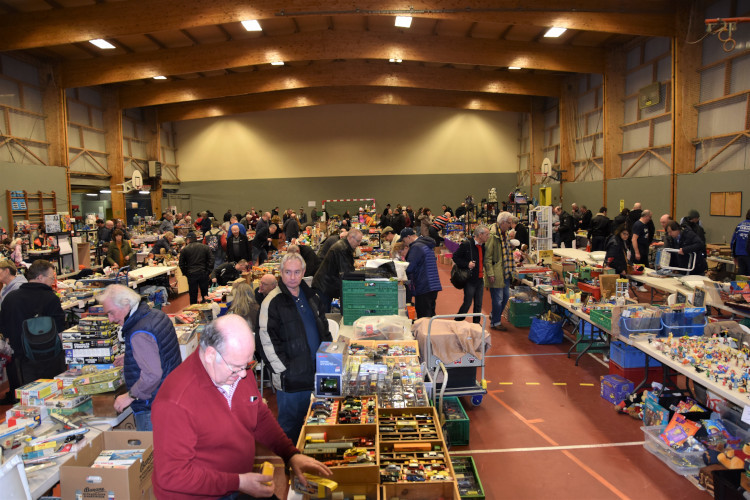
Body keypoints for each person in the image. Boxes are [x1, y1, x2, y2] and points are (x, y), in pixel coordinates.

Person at [152, 314, 331, 499]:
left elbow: (258, 416)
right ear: (210, 355)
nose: (244, 375)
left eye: (247, 365)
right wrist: (238, 482)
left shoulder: (237, 372)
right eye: (236, 367)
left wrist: (290, 454)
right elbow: (172, 476)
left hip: (236, 486)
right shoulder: (175, 402)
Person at [258, 253, 333, 443]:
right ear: (280, 273)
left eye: (297, 272)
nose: (292, 277)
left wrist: (330, 361)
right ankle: (290, 469)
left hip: (317, 375)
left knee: (318, 425)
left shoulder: (312, 296)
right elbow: (266, 340)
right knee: (290, 428)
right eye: (288, 272)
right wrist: (284, 371)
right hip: (291, 381)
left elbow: (324, 329)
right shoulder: (272, 302)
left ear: (304, 272)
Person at [97, 284, 181, 431]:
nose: (110, 319)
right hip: (171, 398)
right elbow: (160, 351)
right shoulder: (155, 314)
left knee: (152, 453)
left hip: (152, 408)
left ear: (126, 304)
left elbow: (152, 375)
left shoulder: (139, 332)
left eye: (111, 313)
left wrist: (129, 396)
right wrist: (133, 355)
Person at [0, 260, 65, 404]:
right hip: (50, 358)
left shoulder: (10, 298)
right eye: (51, 278)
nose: (53, 281)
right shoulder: (50, 298)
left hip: (21, 361)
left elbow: (4, 329)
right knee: (52, 398)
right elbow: (60, 330)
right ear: (40, 277)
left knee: (28, 401)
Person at [312, 228, 361, 312]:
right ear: (350, 238)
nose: (359, 244)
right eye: (358, 241)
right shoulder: (343, 249)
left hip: (325, 285)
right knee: (324, 315)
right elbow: (346, 273)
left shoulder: (344, 246)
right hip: (323, 286)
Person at [484, 212, 516, 331]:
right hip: (497, 272)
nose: (510, 225)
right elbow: (487, 257)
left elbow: (504, 250)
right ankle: (495, 322)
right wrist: (490, 273)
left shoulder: (505, 234)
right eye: (509, 223)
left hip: (505, 271)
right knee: (498, 299)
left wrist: (510, 247)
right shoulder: (492, 235)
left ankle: (494, 315)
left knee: (506, 296)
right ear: (502, 223)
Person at [452, 225, 490, 323]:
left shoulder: (483, 246)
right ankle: (457, 322)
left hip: (480, 279)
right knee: (467, 303)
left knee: (478, 305)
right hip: (470, 280)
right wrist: (467, 264)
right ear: (480, 235)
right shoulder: (466, 244)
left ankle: (476, 325)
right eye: (487, 234)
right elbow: (455, 257)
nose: (488, 236)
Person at [401, 228, 442, 318]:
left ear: (408, 237)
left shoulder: (416, 247)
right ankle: (429, 331)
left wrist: (399, 269)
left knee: (423, 316)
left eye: (404, 240)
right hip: (433, 284)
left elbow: (410, 267)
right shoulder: (425, 244)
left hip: (424, 285)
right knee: (430, 315)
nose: (405, 243)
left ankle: (424, 332)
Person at [179, 232, 215, 305]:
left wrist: (186, 273)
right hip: (203, 273)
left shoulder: (184, 250)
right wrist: (208, 271)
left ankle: (193, 311)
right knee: (205, 294)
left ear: (188, 239)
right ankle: (206, 309)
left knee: (193, 294)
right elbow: (212, 260)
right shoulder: (205, 247)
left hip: (191, 274)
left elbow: (181, 264)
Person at [731, 209, 750, 275]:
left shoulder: (740, 225)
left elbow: (733, 241)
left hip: (739, 254)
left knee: (741, 277)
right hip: (748, 254)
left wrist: (733, 255)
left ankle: (739, 285)